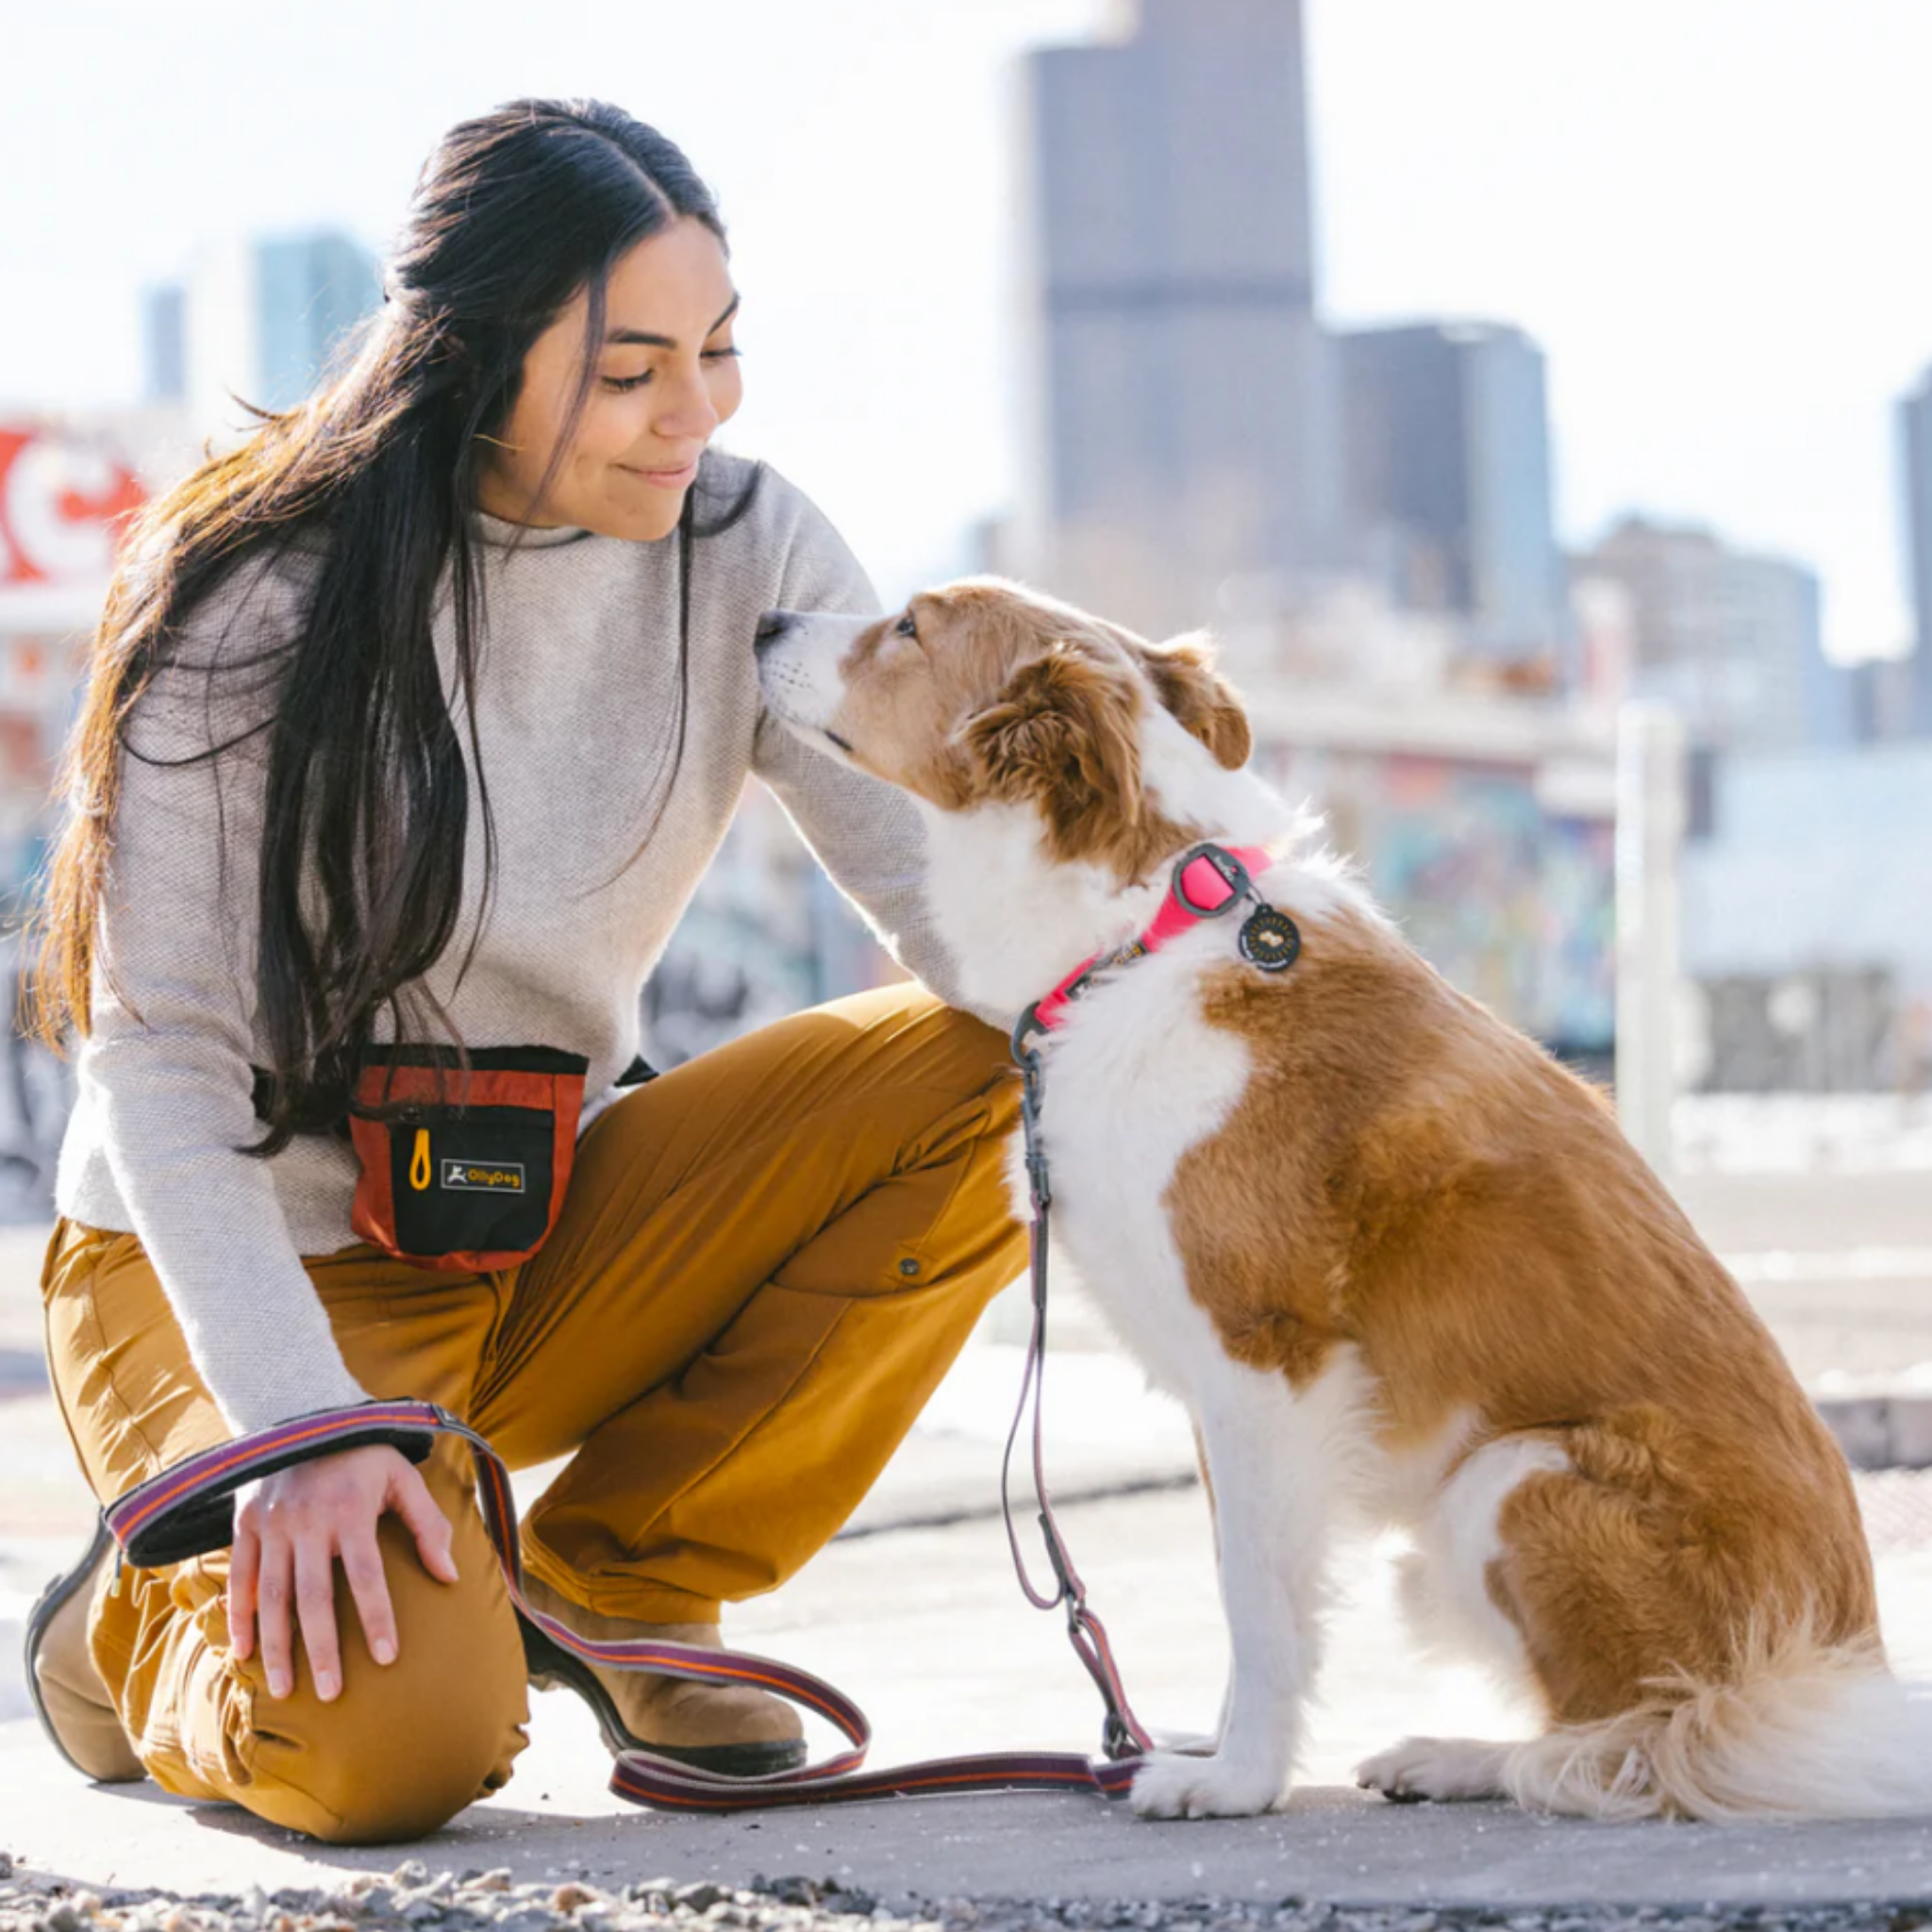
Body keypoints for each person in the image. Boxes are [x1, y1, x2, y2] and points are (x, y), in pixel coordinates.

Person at [24, 99, 1024, 1845]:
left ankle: (634, 1582)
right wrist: (297, 1430)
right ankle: (130, 1630)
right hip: (240, 1266)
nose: (695, 414)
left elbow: (946, 898)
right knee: (392, 1755)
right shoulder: (252, 600)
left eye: (717, 354)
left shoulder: (749, 548)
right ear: (475, 354)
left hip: (531, 1222)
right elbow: (158, 1061)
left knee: (1036, 1048)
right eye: (633, 368)